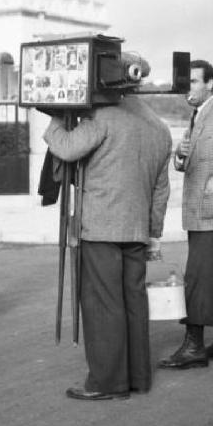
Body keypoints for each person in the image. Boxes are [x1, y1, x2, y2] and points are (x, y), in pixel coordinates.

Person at [43, 93, 172, 400]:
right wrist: (153, 231)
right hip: (137, 228)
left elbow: (66, 147)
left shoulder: (103, 117)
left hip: (101, 226)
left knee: (103, 305)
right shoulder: (159, 126)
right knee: (133, 303)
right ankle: (137, 377)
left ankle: (107, 382)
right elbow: (161, 189)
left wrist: (59, 116)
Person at [159, 60, 213, 369]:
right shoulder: (198, 114)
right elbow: (193, 160)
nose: (188, 87)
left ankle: (194, 346)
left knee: (197, 276)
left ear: (210, 84)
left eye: (194, 81)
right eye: (186, 82)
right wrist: (180, 156)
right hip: (201, 211)